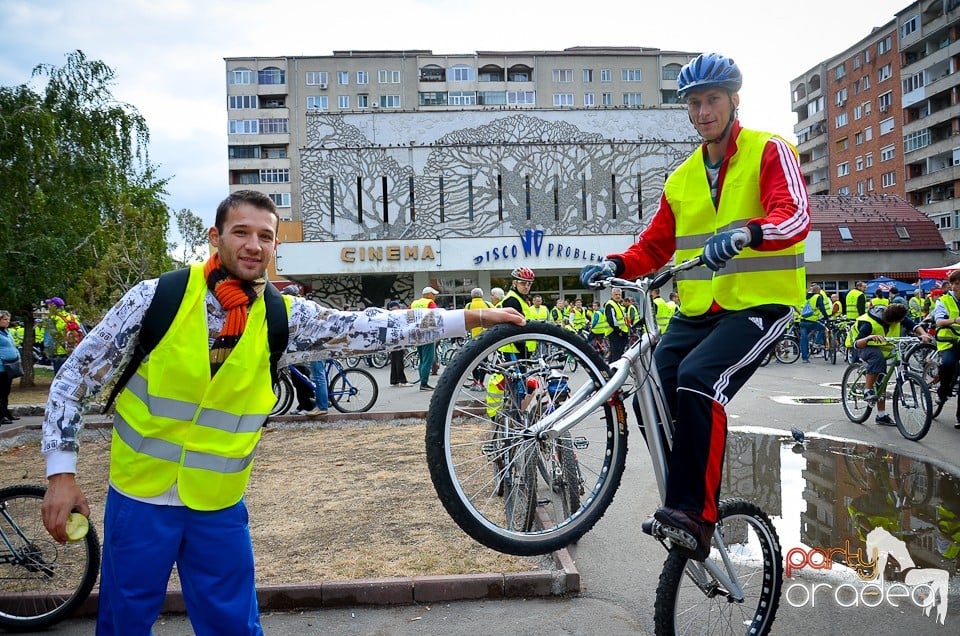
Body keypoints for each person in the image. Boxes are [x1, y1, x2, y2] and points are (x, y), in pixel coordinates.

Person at [39, 190, 525, 635]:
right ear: (216, 237)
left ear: (275, 248)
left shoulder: (283, 317)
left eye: (265, 236)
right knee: (123, 624)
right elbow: (73, 380)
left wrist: (471, 318)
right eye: (242, 232)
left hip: (218, 508)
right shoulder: (155, 298)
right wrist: (61, 474)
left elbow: (372, 327)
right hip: (139, 499)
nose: (254, 245)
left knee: (234, 628)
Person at [580, 52, 809, 561]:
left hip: (760, 306)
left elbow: (794, 218)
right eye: (694, 103)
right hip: (697, 309)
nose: (703, 111)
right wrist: (617, 265)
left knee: (700, 378)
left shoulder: (769, 150)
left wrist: (750, 232)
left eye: (712, 100)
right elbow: (654, 247)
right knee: (653, 388)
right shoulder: (681, 178)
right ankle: (682, 495)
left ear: (733, 101)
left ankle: (695, 514)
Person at [851, 303, 930, 426]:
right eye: (899, 321)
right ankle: (867, 390)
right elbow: (857, 343)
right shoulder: (868, 323)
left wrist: (923, 334)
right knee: (878, 359)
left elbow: (913, 325)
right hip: (864, 347)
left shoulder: (898, 317)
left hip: (884, 348)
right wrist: (869, 337)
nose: (901, 322)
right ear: (890, 320)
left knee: (882, 380)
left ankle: (881, 416)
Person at [932, 270, 960, 427]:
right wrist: (955, 320)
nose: (956, 287)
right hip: (949, 341)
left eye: (958, 284)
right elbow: (939, 322)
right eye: (954, 283)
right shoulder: (944, 300)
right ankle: (943, 391)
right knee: (948, 363)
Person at [410, 285, 440, 391]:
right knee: (428, 359)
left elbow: (408, 317)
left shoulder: (414, 303)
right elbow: (437, 315)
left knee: (422, 359)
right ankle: (424, 384)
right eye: (433, 295)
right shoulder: (430, 303)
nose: (434, 297)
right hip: (428, 333)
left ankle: (422, 381)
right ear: (429, 295)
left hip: (416, 334)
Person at [42, 297, 77, 374]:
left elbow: (49, 339)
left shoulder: (52, 319)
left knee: (59, 377)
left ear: (53, 306)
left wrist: (48, 353)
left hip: (59, 353)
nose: (48, 307)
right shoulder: (73, 317)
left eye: (49, 304)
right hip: (73, 351)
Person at [0, 311, 22, 424]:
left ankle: (5, 413)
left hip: (9, 366)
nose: (7, 321)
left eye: (8, 319)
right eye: (5, 319)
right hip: (1, 367)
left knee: (5, 392)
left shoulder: (6, 332)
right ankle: (1, 416)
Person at [387, 300, 413, 387]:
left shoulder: (388, 315)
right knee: (399, 360)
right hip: (397, 340)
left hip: (391, 340)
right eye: (398, 306)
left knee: (394, 360)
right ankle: (402, 380)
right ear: (395, 307)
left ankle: (394, 380)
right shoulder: (396, 315)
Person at [799, 284, 828, 363]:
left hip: (802, 321)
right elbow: (822, 308)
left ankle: (804, 358)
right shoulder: (817, 297)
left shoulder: (806, 297)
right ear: (818, 291)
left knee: (804, 339)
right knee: (823, 328)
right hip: (811, 321)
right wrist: (826, 317)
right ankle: (817, 342)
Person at [604, 288, 631, 360]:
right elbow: (612, 320)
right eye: (616, 294)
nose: (618, 296)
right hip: (615, 333)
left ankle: (611, 370)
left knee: (615, 354)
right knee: (616, 355)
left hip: (620, 332)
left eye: (619, 295)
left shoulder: (617, 304)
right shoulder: (610, 304)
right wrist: (619, 331)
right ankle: (614, 370)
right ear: (612, 295)